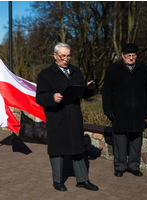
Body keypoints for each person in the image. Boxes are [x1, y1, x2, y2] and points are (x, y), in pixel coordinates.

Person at [36, 42, 98, 191]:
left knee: (78, 148)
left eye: (68, 55)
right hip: (56, 117)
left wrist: (89, 89)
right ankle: (57, 181)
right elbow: (39, 97)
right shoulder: (45, 74)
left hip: (74, 116)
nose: (66, 58)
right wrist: (52, 97)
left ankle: (82, 180)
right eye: (63, 56)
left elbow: (81, 93)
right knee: (57, 150)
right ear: (55, 56)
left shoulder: (76, 72)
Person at [102, 43, 147, 177]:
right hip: (119, 112)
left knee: (136, 140)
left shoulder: (144, 70)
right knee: (120, 140)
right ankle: (120, 167)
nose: (131, 58)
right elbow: (106, 92)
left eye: (134, 56)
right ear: (123, 56)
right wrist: (108, 110)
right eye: (128, 56)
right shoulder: (112, 70)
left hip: (137, 111)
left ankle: (134, 166)